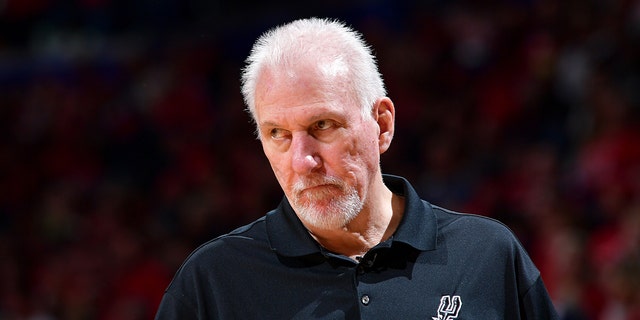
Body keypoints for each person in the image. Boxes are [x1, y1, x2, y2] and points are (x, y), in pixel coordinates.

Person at [155, 17, 559, 319]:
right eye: (278, 133)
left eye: (322, 126)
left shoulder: (487, 255)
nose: (302, 160)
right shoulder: (211, 282)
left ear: (382, 124)